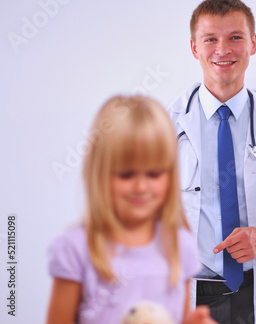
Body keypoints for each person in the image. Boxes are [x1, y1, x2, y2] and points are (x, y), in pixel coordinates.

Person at [167, 0, 256, 323]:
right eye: (210, 39)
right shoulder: (166, 125)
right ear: (194, 48)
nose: (223, 50)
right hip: (192, 294)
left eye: (235, 37)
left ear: (253, 43)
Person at [46, 95, 216, 324]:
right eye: (126, 174)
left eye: (154, 174)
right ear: (100, 173)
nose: (141, 187)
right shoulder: (76, 248)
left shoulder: (180, 246)